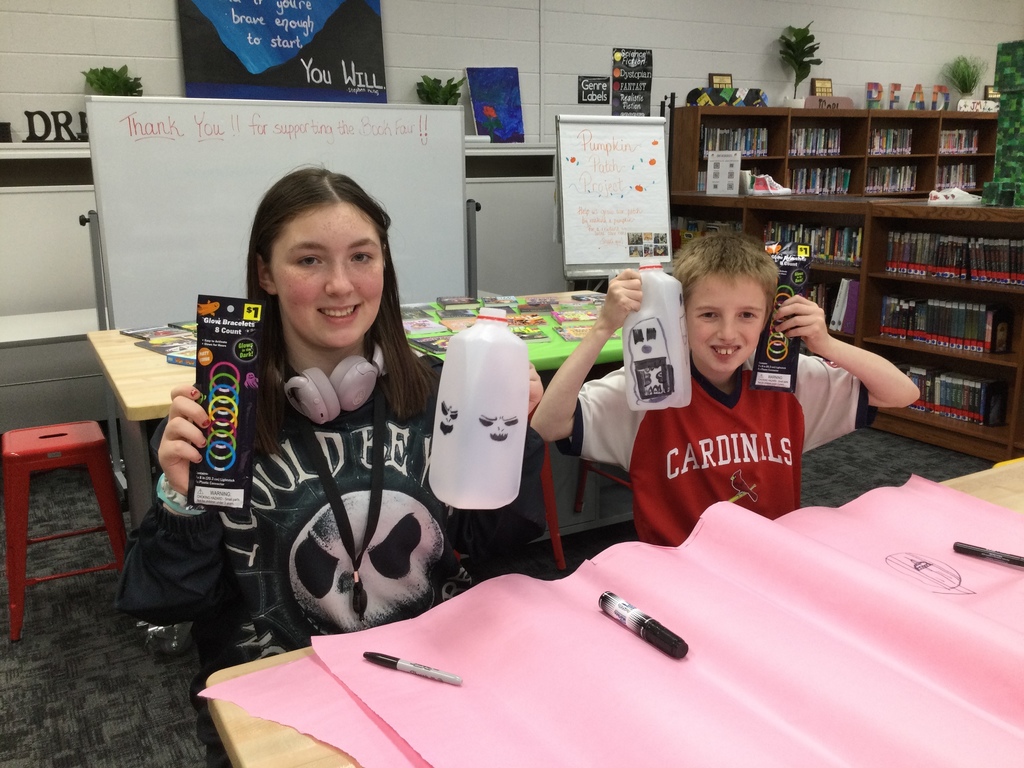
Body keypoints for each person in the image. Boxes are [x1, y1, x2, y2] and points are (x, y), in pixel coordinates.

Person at [115, 167, 547, 766]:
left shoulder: (435, 393)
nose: (341, 285)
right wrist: (181, 502)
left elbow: (490, 539)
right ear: (265, 272)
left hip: (426, 676)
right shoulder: (221, 416)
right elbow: (161, 602)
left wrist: (511, 440)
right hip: (284, 705)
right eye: (309, 260)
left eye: (361, 257)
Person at [531, 231, 919, 547]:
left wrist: (827, 344)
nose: (728, 334)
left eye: (747, 315)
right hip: (676, 578)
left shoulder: (786, 379)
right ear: (680, 316)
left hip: (770, 567)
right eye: (709, 315)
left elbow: (902, 394)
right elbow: (548, 426)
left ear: (769, 317)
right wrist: (603, 328)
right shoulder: (652, 386)